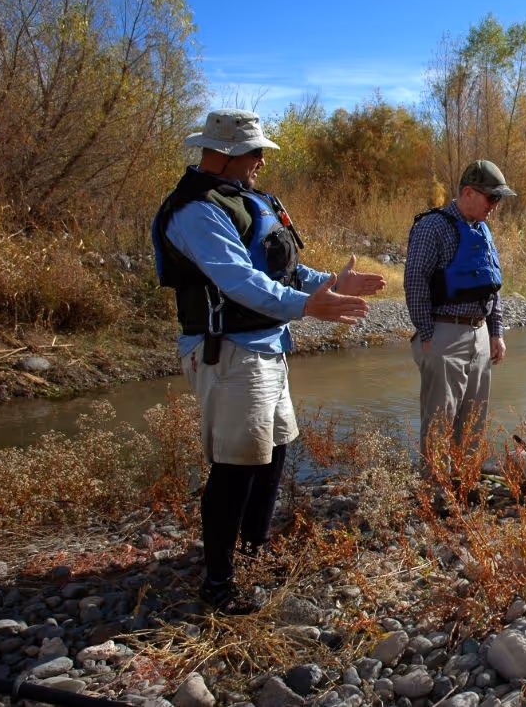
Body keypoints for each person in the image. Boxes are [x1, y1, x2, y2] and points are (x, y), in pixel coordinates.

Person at [151, 108, 385, 613]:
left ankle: (253, 552)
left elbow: (284, 269)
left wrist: (332, 284)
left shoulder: (247, 199)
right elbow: (239, 279)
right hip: (229, 353)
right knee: (235, 466)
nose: (261, 160)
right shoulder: (196, 211)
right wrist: (307, 307)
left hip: (266, 347)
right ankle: (219, 583)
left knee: (273, 451)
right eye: (255, 152)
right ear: (226, 153)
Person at [404, 159, 513, 477]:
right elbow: (415, 281)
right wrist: (427, 335)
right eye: (492, 197)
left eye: (498, 199)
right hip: (443, 334)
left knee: (474, 420)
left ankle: (465, 485)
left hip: (479, 335)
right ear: (468, 192)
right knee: (440, 420)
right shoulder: (432, 226)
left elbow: (491, 285)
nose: (495, 205)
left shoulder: (482, 229)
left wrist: (496, 332)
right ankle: (436, 490)